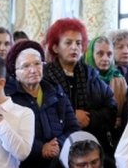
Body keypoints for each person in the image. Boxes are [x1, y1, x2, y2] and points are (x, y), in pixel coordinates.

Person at [4, 40, 78, 168]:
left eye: (37, 63)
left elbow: (73, 127)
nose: (33, 69)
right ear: (15, 71)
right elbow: (7, 133)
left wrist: (57, 145)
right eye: (26, 66)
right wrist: (40, 149)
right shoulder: (8, 97)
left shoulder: (55, 90)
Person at [44, 19, 118, 152]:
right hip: (59, 147)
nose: (74, 47)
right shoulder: (45, 78)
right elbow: (42, 114)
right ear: (55, 47)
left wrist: (91, 118)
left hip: (92, 143)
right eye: (68, 43)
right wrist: (72, 116)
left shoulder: (91, 75)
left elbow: (111, 108)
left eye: (78, 43)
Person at [88, 33, 128, 121]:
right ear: (91, 55)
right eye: (100, 53)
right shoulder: (84, 78)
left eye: (109, 54)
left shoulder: (119, 78)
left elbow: (125, 109)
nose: (105, 58)